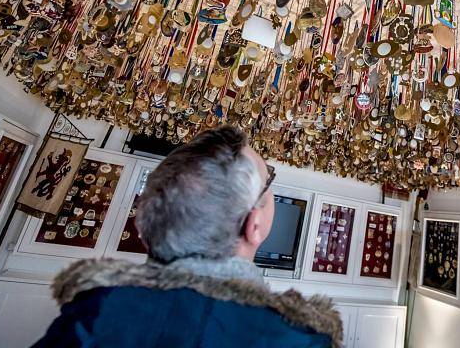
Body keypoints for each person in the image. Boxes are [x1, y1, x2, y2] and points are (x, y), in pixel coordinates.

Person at [34, 126, 342, 347]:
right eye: (268, 179)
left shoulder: (90, 316)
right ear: (254, 225)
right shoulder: (299, 338)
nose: (271, 185)